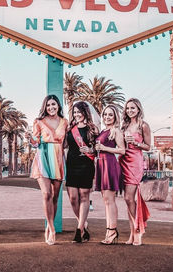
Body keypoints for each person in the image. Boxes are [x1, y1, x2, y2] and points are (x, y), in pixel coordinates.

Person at [27, 95, 68, 246]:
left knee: (55, 197)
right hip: (43, 158)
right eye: (48, 105)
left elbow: (66, 143)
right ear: (45, 107)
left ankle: (49, 225)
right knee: (46, 194)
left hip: (57, 160)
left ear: (58, 106)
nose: (51, 107)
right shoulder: (39, 122)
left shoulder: (64, 122)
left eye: (54, 104)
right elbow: (36, 142)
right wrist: (30, 140)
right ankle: (51, 229)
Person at [119, 98, 151, 246]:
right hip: (123, 160)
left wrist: (135, 143)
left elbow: (148, 146)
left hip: (135, 162)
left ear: (138, 109)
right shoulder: (124, 125)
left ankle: (138, 232)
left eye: (133, 108)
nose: (130, 111)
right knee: (128, 200)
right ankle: (132, 233)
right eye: (128, 108)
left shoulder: (143, 126)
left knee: (129, 197)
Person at [66, 101, 99, 243]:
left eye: (79, 112)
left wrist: (90, 150)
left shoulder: (93, 129)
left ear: (85, 112)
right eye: (75, 112)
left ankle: (79, 230)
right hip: (72, 165)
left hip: (86, 165)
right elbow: (64, 144)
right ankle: (84, 224)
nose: (77, 115)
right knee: (73, 198)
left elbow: (98, 149)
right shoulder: (70, 129)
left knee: (84, 196)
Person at [95, 104, 125, 245]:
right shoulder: (103, 131)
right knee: (106, 201)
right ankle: (109, 230)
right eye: (105, 114)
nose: (107, 117)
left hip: (110, 165)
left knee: (110, 200)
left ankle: (112, 231)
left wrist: (104, 148)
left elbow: (122, 150)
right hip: (101, 164)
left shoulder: (116, 131)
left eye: (110, 115)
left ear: (115, 117)